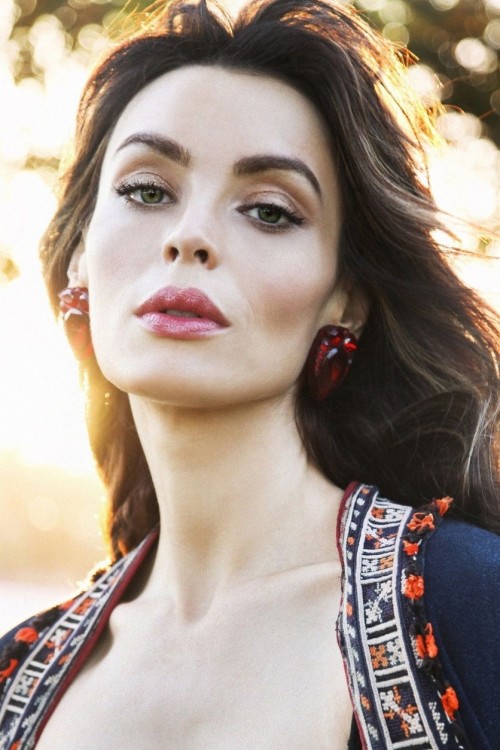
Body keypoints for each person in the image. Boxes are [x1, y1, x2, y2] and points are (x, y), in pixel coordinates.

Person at [0, 0, 499, 747]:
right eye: (146, 190)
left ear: (347, 299)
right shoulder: (14, 681)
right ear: (79, 259)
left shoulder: (475, 603)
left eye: (268, 210)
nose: (190, 236)